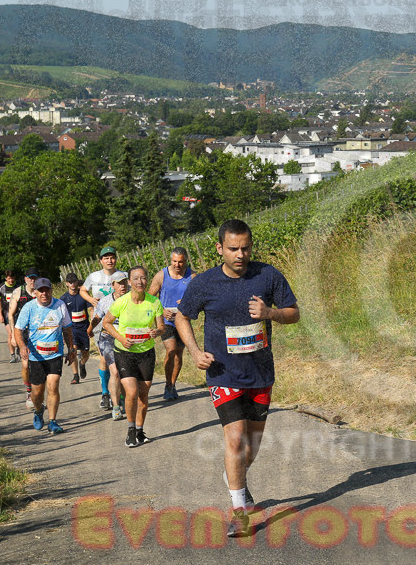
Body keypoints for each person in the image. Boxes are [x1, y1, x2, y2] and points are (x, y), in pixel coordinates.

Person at [176, 219, 300, 537]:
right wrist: (193, 351)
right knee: (234, 441)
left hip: (260, 374)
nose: (240, 254)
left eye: (245, 248)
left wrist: (271, 313)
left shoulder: (267, 275)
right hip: (223, 373)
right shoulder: (205, 283)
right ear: (220, 248)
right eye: (233, 249)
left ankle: (235, 481)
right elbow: (181, 316)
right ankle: (238, 512)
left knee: (249, 450)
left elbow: (294, 312)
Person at [102, 266, 165, 448]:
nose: (140, 282)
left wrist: (156, 332)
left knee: (143, 394)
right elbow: (106, 323)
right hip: (124, 352)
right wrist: (121, 338)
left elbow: (162, 327)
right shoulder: (121, 302)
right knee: (131, 391)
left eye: (143, 278)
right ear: (129, 282)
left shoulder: (154, 302)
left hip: (146, 353)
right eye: (136, 279)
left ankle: (139, 430)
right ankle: (130, 429)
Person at [14, 277, 76, 435]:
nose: (44, 293)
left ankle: (53, 421)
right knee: (37, 393)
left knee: (53, 386)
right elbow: (18, 329)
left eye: (47, 290)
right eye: (40, 291)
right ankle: (38, 410)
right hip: (36, 357)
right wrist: (22, 347)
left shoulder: (59, 305)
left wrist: (71, 349)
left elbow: (67, 328)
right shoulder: (29, 307)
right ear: (35, 292)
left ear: (51, 290)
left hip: (55, 354)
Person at [148, 247, 194, 401]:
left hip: (183, 321)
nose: (177, 265)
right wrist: (162, 309)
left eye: (180, 262)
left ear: (186, 261)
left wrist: (188, 303)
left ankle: (172, 385)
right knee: (171, 349)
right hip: (166, 320)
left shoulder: (192, 276)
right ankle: (168, 384)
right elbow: (149, 298)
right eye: (174, 261)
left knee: (179, 353)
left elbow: (199, 299)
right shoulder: (162, 275)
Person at [82, 247, 119, 411]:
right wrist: (91, 300)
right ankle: (105, 393)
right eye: (106, 258)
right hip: (99, 321)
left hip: (120, 322)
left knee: (119, 358)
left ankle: (118, 392)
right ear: (101, 261)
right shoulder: (94, 277)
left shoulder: (122, 276)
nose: (109, 260)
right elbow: (82, 290)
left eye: (112, 257)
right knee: (105, 357)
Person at [89, 271, 129, 420]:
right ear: (113, 285)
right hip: (107, 337)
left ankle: (125, 399)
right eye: (119, 283)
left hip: (126, 338)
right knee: (116, 372)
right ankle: (116, 405)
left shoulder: (133, 299)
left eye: (125, 282)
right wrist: (90, 329)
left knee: (127, 373)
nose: (122, 286)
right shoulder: (105, 301)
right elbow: (97, 317)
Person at [8, 268, 40, 408]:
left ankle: (38, 391)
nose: (32, 281)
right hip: (23, 333)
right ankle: (28, 391)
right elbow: (10, 315)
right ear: (25, 278)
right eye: (30, 278)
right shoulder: (18, 292)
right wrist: (14, 336)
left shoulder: (42, 291)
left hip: (39, 333)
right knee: (26, 365)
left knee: (38, 365)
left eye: (35, 278)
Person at [59, 273, 91, 384]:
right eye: (70, 282)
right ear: (67, 284)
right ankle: (75, 375)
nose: (73, 284)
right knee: (72, 350)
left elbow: (90, 309)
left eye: (74, 281)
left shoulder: (83, 295)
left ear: (77, 282)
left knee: (85, 351)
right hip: (71, 329)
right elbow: (60, 317)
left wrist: (92, 327)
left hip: (84, 328)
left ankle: (82, 364)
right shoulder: (63, 299)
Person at [0, 270, 19, 363]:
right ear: (6, 278)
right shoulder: (1, 287)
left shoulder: (18, 287)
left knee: (18, 333)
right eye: (9, 278)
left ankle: (19, 350)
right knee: (10, 333)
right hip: (6, 313)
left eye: (12, 278)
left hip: (18, 313)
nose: (11, 280)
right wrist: (0, 314)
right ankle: (12, 355)